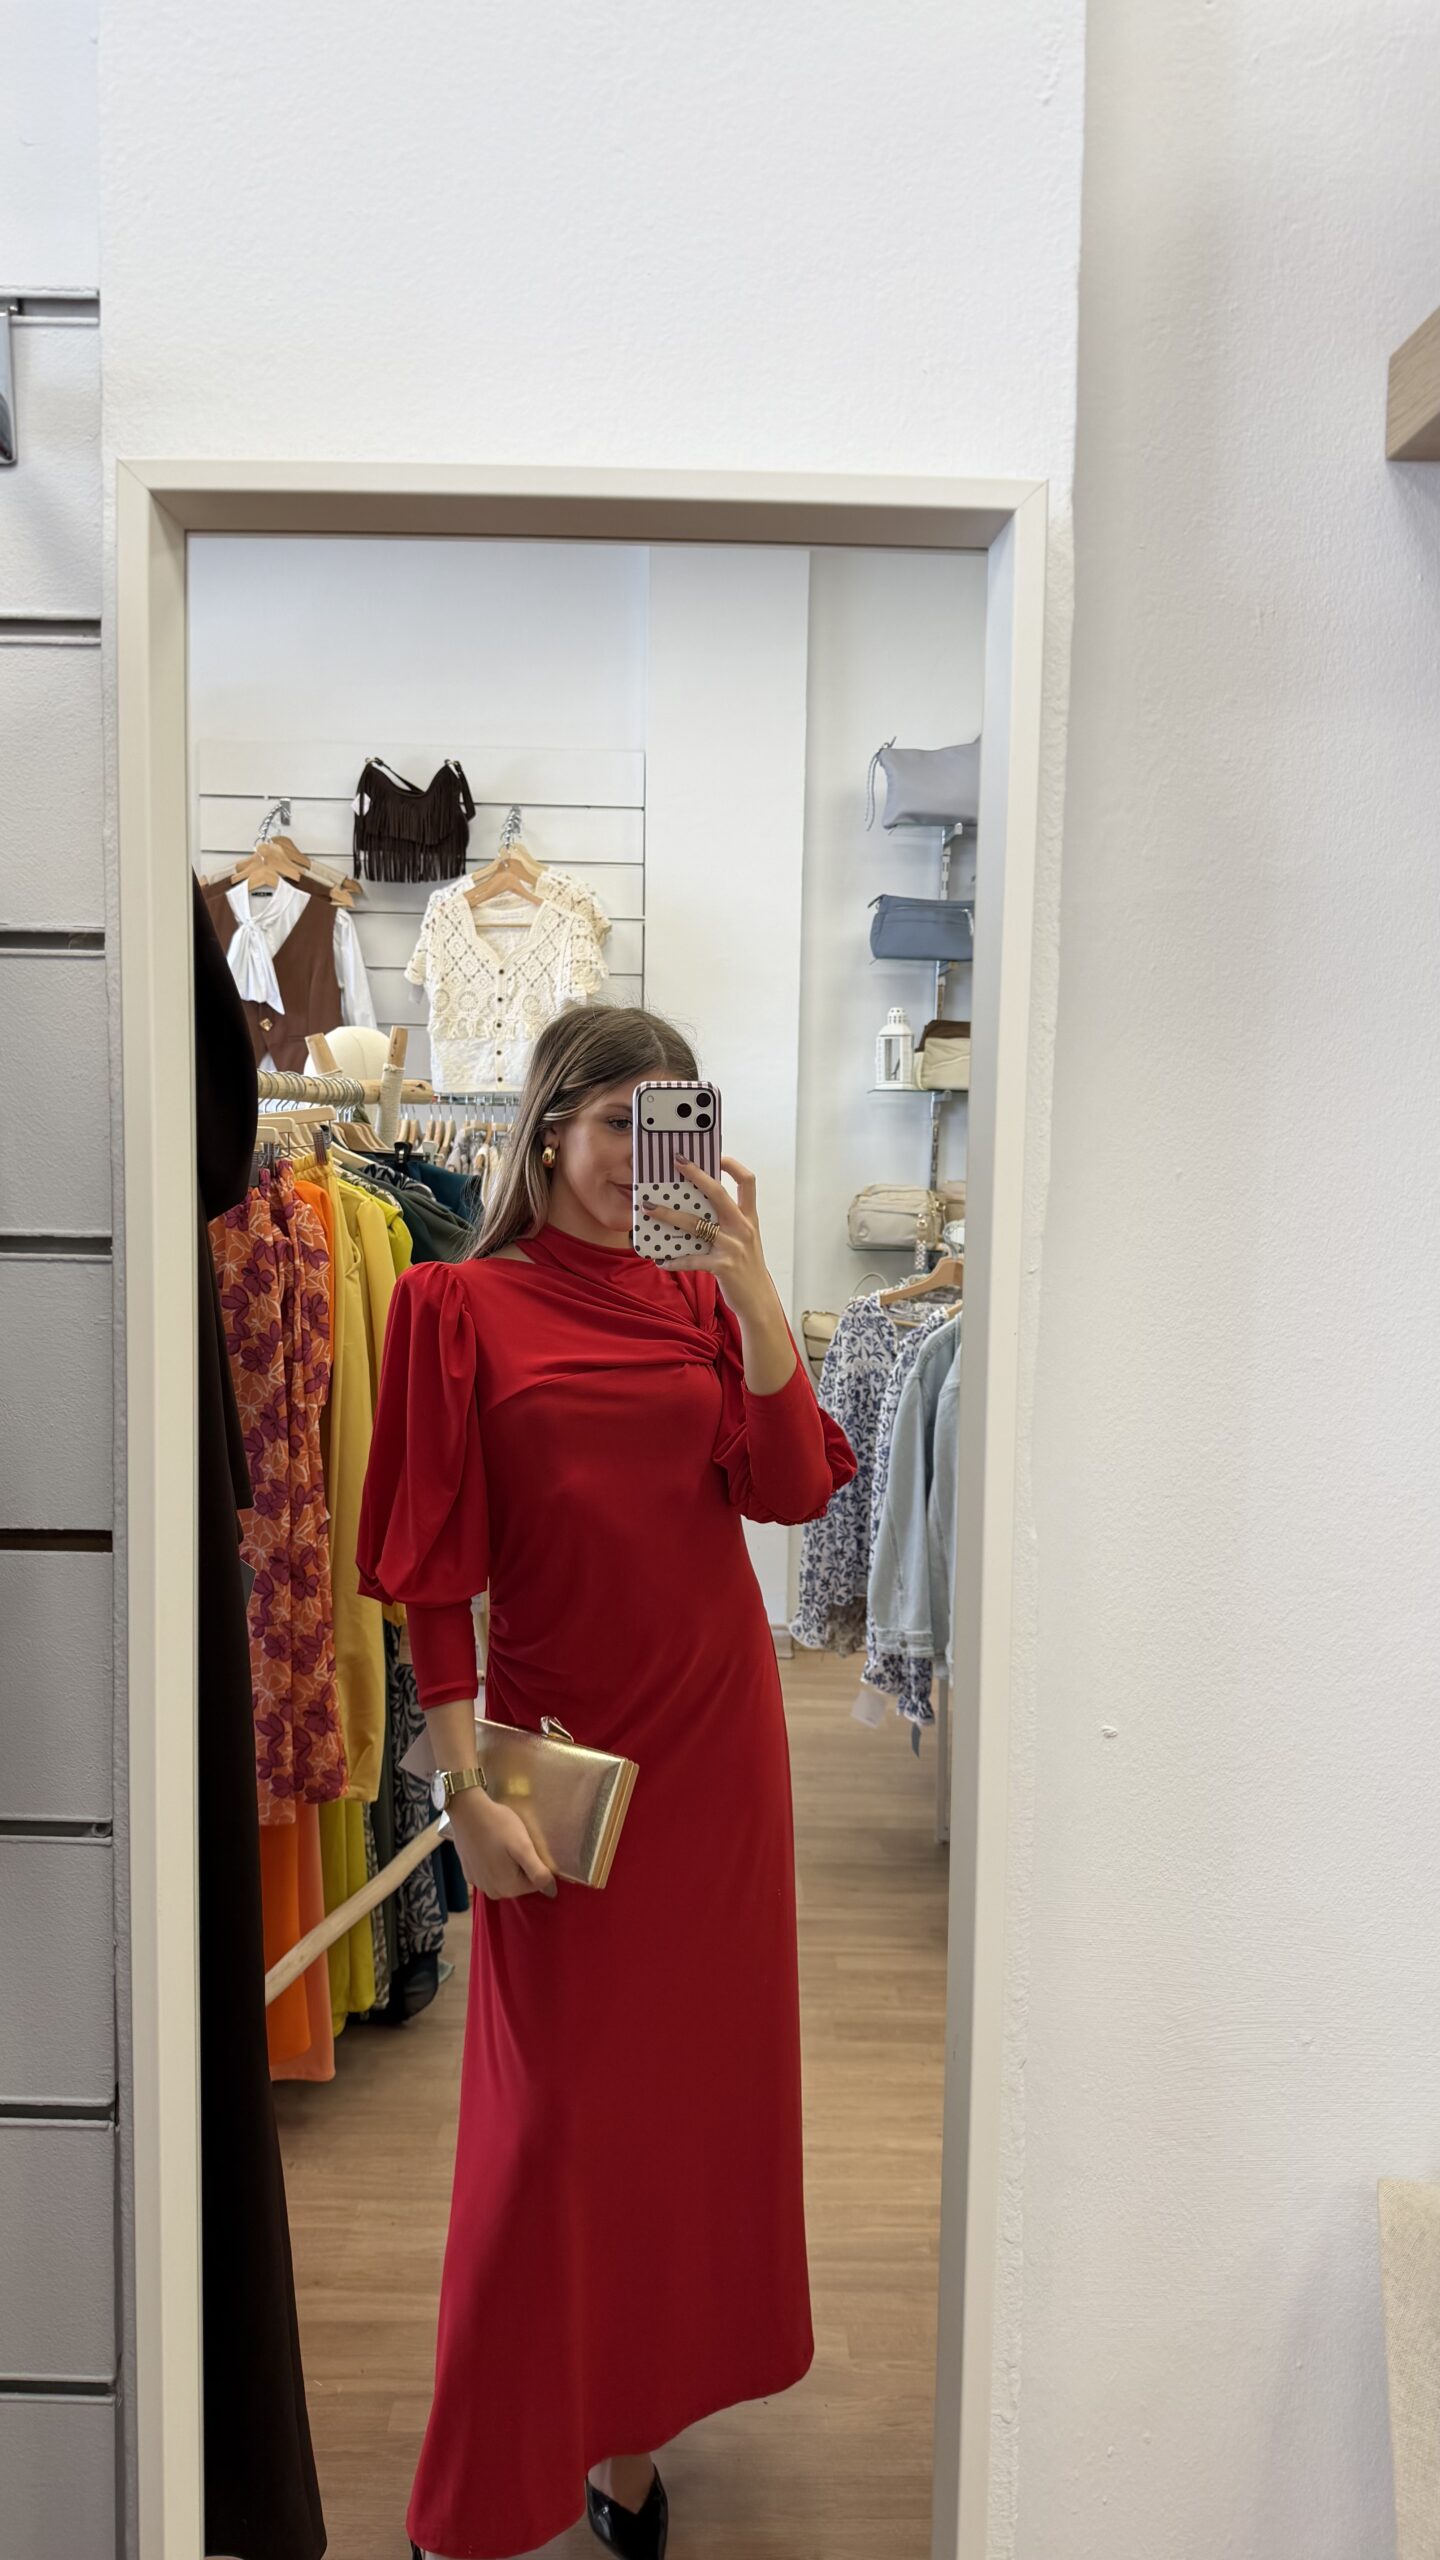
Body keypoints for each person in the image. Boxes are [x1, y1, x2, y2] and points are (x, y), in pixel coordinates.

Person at [356, 1003, 857, 2560]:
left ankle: (628, 2456)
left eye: (671, 1125)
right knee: (551, 2133)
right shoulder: (454, 1306)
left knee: (677, 2119)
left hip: (719, 1762)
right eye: (616, 1124)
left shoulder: (702, 1300)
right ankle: (476, 2493)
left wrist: (754, 1290)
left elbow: (789, 1490)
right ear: (550, 1125)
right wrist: (456, 1790)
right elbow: (433, 1577)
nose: (642, 1158)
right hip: (561, 1768)